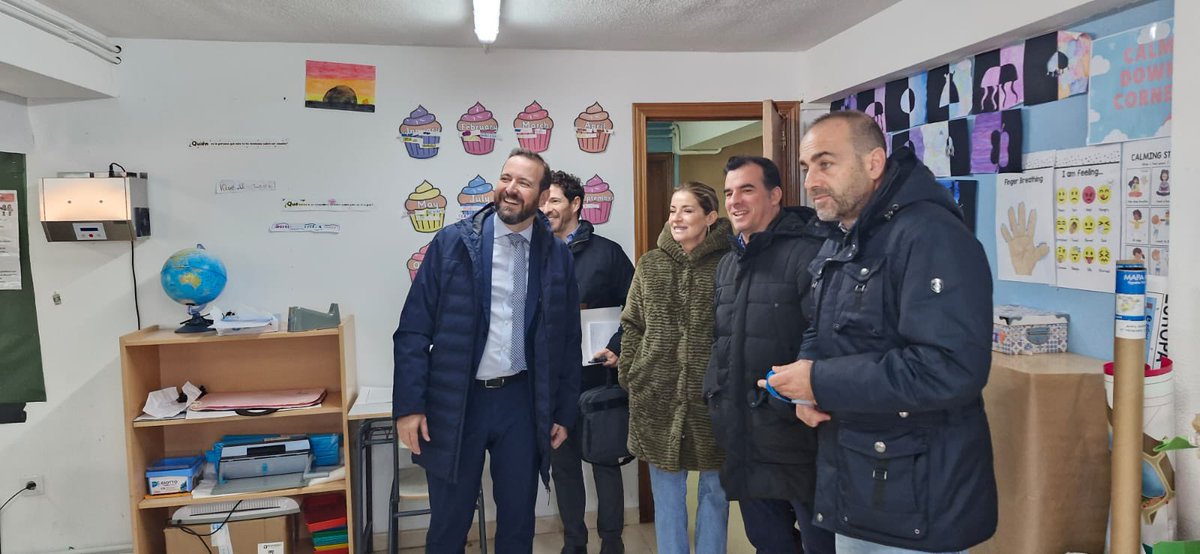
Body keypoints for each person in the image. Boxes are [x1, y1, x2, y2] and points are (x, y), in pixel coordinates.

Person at [765, 110, 997, 553]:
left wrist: (820, 381)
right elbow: (824, 325)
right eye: (806, 167)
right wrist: (807, 384)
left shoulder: (931, 235)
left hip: (917, 498)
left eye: (826, 164)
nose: (811, 181)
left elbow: (948, 369)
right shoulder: (845, 235)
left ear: (873, 163)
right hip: (859, 479)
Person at [393, 148, 582, 553]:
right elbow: (412, 330)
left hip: (521, 403)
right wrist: (409, 406)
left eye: (524, 183)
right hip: (458, 402)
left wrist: (564, 412)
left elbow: (568, 340)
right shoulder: (453, 244)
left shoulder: (556, 256)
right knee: (449, 525)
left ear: (542, 196)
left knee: (517, 525)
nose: (510, 189)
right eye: (506, 178)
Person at [704, 156, 834, 554]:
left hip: (798, 439)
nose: (735, 201)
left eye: (747, 190)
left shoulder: (810, 254)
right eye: (729, 192)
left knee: (820, 545)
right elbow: (721, 341)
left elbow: (824, 334)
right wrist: (714, 394)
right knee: (768, 543)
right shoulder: (728, 264)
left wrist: (794, 399)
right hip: (745, 439)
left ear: (775, 195)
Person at [619, 182, 732, 554]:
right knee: (667, 497)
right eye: (672, 210)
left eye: (687, 210)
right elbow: (632, 323)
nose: (677, 218)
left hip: (712, 400)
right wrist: (631, 372)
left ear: (710, 217)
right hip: (657, 397)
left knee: (715, 493)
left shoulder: (730, 263)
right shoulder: (650, 263)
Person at [541, 170, 634, 554]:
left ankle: (612, 543)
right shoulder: (533, 253)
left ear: (576, 203)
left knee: (605, 463)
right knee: (563, 469)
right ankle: (574, 544)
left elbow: (637, 309)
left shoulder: (607, 253)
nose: (546, 208)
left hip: (599, 380)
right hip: (552, 382)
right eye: (542, 202)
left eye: (554, 201)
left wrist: (617, 346)